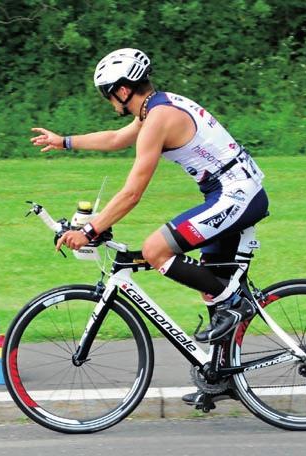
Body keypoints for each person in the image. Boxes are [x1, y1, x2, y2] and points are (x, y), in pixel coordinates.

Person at [30, 48, 269, 406]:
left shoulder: (157, 118)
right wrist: (63, 141)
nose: (108, 100)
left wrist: (92, 230)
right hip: (229, 192)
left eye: (107, 92)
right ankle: (221, 379)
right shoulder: (155, 108)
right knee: (210, 281)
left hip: (236, 194)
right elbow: (115, 139)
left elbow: (131, 193)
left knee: (156, 250)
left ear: (123, 90)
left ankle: (236, 303)